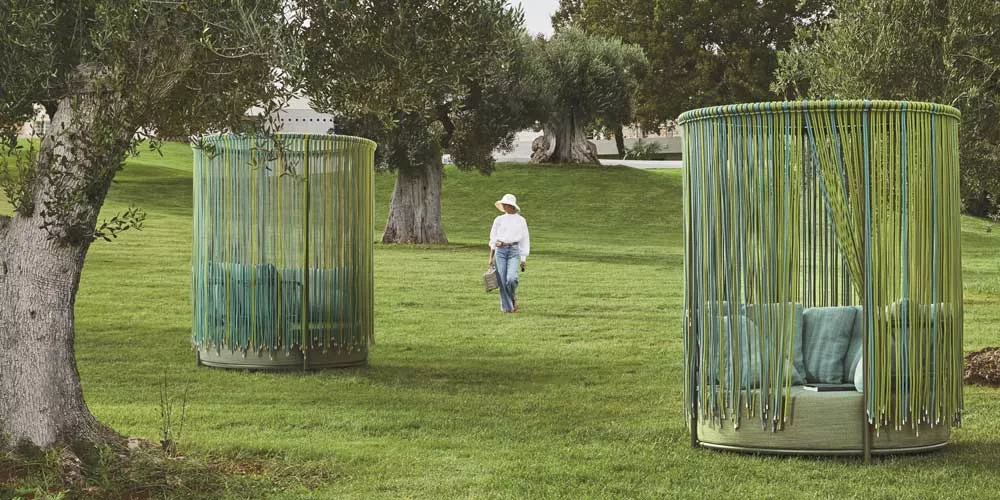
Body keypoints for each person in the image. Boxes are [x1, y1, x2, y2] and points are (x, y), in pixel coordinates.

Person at [488, 193, 530, 313]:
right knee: (502, 280)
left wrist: (523, 259)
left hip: (514, 251)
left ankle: (512, 297)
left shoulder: (521, 221)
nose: (505, 206)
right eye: (504, 204)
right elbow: (493, 238)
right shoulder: (499, 219)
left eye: (507, 204)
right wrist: (491, 257)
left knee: (511, 278)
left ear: (512, 206)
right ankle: (507, 308)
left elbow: (525, 239)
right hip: (500, 252)